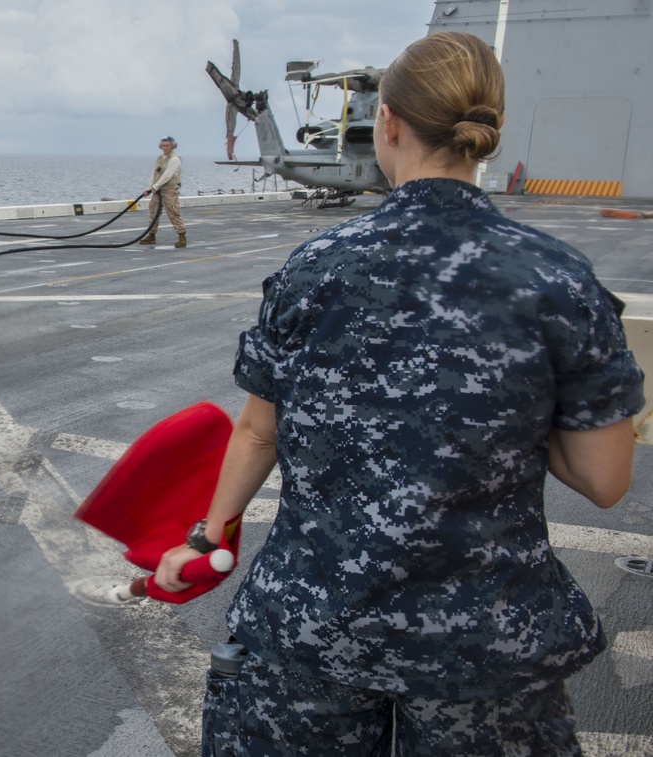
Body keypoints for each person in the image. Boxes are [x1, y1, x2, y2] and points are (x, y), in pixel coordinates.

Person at [155, 32, 644, 756]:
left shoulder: (316, 266)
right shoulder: (559, 279)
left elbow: (258, 432)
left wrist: (205, 535)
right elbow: (605, 479)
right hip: (488, 648)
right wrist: (504, 402)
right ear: (487, 134)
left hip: (315, 626)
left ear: (387, 122)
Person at [139, 136, 186, 248]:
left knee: (174, 213)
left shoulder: (175, 159)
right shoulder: (160, 158)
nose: (165, 148)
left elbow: (168, 175)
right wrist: (149, 188)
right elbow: (155, 174)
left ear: (172, 146)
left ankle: (182, 237)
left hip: (169, 191)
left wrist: (155, 187)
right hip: (157, 190)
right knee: (153, 212)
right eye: (163, 145)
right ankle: (151, 236)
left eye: (167, 145)